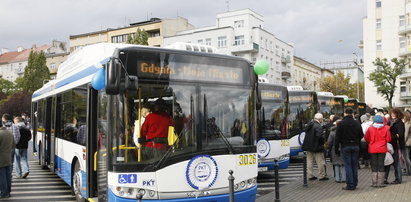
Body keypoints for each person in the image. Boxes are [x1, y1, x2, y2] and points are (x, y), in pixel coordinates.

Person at [335, 107, 364, 190]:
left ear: (345, 113)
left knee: (348, 165)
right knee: (354, 165)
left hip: (345, 146)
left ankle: (350, 184)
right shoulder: (357, 123)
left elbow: (337, 138)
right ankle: (354, 183)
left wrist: (336, 149)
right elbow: (361, 135)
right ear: (352, 113)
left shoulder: (341, 123)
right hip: (355, 145)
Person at [364, 115, 391, 187]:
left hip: (372, 149)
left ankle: (374, 183)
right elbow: (388, 139)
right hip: (382, 149)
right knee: (381, 165)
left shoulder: (370, 129)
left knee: (374, 166)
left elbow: (366, 138)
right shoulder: (386, 129)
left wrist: (371, 142)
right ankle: (381, 183)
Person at [302, 113, 328, 181]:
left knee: (310, 161)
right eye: (322, 119)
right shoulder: (318, 126)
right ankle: (322, 175)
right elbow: (320, 137)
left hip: (308, 146)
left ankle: (310, 175)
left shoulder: (309, 124)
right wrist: (322, 143)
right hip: (317, 147)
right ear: (320, 119)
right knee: (320, 162)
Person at [384, 108, 405, 184]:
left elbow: (400, 134)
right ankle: (385, 179)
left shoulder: (399, 123)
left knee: (396, 163)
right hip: (389, 145)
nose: (392, 115)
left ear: (398, 114)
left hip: (395, 145)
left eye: (394, 113)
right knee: (388, 162)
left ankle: (398, 179)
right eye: (391, 113)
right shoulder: (389, 122)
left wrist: (392, 136)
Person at [327, 116, 345, 183]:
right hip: (343, 148)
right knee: (343, 164)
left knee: (336, 164)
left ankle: (337, 178)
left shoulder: (332, 132)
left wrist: (328, 147)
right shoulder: (344, 131)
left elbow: (329, 142)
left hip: (335, 149)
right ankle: (344, 178)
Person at [0, 121, 14, 198]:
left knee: (2, 177)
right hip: (8, 157)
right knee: (8, 175)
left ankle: (3, 193)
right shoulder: (9, 133)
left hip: (1, 159)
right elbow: (13, 145)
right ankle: (8, 191)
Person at [404, 110, 411, 175]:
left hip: (407, 142)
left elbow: (405, 134)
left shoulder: (407, 124)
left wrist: (403, 142)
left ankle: (409, 171)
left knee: (406, 157)